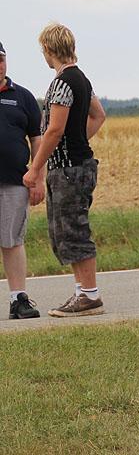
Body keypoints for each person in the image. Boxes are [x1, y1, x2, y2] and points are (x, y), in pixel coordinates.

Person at [22, 23, 107, 317]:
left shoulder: (61, 83)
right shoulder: (82, 79)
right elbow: (99, 115)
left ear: (48, 49)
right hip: (79, 165)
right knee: (67, 230)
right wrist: (80, 140)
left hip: (69, 170)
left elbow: (54, 130)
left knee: (72, 230)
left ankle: (89, 295)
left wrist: (35, 168)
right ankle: (81, 292)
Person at [0, 41, 44, 319]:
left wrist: (38, 176)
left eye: (1, 59)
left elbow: (38, 139)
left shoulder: (23, 97)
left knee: (13, 240)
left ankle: (19, 300)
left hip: (15, 182)